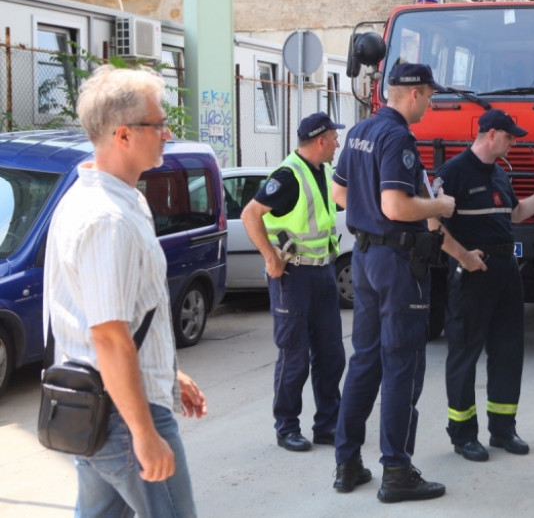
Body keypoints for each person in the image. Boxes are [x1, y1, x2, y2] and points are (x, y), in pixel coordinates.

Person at [43, 64, 207, 517]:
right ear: (123, 135)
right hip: (121, 414)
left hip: (104, 404)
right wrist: (144, 433)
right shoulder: (106, 218)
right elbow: (108, 336)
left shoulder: (117, 200)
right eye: (158, 124)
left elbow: (126, 315)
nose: (167, 134)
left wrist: (165, 373)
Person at [330, 62, 455, 503]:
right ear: (415, 93)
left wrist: (372, 208)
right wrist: (439, 206)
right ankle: (397, 471)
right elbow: (397, 207)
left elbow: (340, 193)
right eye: (430, 97)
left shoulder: (360, 131)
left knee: (365, 360)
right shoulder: (398, 137)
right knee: (403, 363)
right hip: (397, 262)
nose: (430, 105)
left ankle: (347, 463)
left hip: (364, 258)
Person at [436, 109, 534, 462]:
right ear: (491, 134)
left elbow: (516, 213)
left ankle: (503, 429)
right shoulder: (453, 172)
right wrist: (463, 257)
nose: (513, 143)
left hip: (506, 270)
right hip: (472, 272)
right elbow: (432, 222)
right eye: (509, 137)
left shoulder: (500, 174)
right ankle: (463, 435)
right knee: (465, 352)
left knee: (508, 352)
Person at [240, 111, 347, 452]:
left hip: (323, 273)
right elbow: (250, 214)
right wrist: (270, 257)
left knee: (331, 355)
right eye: (334, 138)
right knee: (294, 356)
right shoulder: (288, 175)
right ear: (320, 141)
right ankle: (287, 427)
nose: (337, 144)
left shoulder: (324, 171)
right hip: (293, 276)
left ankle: (328, 425)